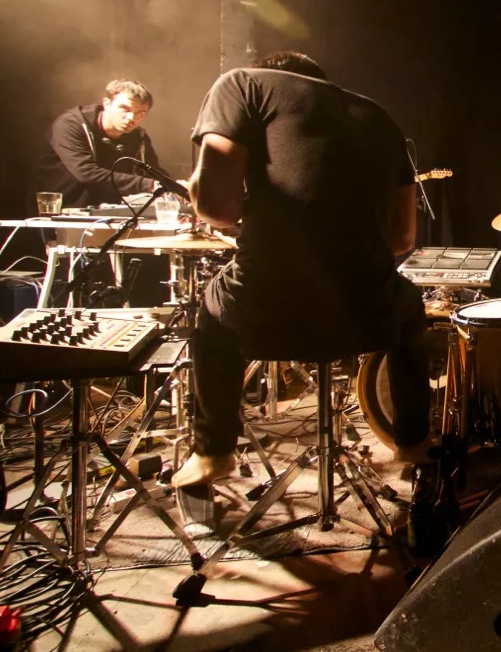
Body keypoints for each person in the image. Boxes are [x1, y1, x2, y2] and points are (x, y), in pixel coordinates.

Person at [171, 52, 429, 486]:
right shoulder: (379, 115)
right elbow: (403, 238)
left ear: (272, 70)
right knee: (411, 307)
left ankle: (213, 449)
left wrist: (198, 187)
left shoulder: (243, 84)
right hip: (366, 311)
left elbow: (217, 207)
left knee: (213, 307)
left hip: (272, 301)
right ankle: (414, 441)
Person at [33, 78, 168, 208]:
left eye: (140, 113)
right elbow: (86, 173)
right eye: (125, 109)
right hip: (61, 212)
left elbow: (153, 172)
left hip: (111, 212)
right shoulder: (70, 125)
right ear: (107, 103)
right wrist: (150, 185)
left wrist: (174, 186)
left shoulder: (138, 135)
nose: (131, 118)